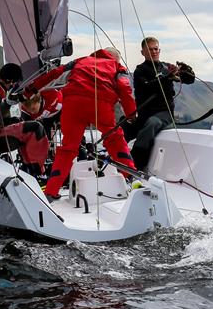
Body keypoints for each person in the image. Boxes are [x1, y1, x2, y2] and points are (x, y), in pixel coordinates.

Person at [30, 47, 137, 202]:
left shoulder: (81, 61)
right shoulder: (117, 66)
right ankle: (132, 177)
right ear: (115, 58)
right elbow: (124, 86)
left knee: (67, 149)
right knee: (114, 139)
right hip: (101, 104)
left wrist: (29, 89)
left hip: (73, 103)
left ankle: (51, 191)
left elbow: (55, 73)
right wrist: (131, 114)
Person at [128, 36, 195, 170]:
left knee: (152, 124)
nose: (154, 52)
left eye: (156, 49)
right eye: (150, 49)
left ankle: (135, 165)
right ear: (143, 52)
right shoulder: (139, 71)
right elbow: (146, 87)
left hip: (163, 113)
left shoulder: (167, 67)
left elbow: (189, 80)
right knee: (122, 130)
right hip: (143, 114)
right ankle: (110, 159)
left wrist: (187, 71)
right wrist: (166, 78)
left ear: (159, 50)